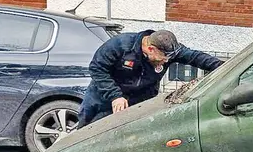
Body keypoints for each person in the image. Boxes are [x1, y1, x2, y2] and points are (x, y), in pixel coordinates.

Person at [77, 29, 224, 128]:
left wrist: (227, 67)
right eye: (163, 58)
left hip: (139, 100)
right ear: (150, 49)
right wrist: (115, 96)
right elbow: (97, 68)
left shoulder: (169, 51)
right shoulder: (120, 45)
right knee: (87, 132)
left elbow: (196, 57)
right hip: (103, 97)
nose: (166, 61)